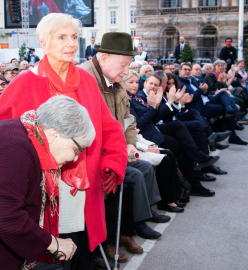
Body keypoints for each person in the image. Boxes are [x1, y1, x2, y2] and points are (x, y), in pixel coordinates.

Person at [0, 13, 128, 270]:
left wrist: (114, 160)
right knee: (50, 255)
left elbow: (111, 127)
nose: (70, 44)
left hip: (85, 186)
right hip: (42, 190)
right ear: (44, 43)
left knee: (80, 250)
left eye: (73, 37)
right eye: (61, 37)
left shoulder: (88, 81)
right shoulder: (23, 82)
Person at [80, 32, 168, 262]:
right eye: (124, 64)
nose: (127, 71)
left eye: (130, 65)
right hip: (91, 156)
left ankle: (121, 235)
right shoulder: (85, 78)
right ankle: (103, 246)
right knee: (124, 182)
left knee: (130, 177)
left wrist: (129, 144)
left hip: (115, 151)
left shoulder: (116, 81)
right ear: (104, 57)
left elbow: (128, 119)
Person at [0, 95, 97, 269]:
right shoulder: (17, 147)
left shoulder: (24, 134)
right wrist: (53, 243)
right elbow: (6, 215)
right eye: (77, 149)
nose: (75, 158)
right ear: (53, 134)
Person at [130, 73, 217, 197]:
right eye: (151, 84)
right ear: (144, 83)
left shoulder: (138, 98)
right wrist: (160, 105)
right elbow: (143, 123)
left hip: (154, 130)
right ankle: (194, 170)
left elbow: (155, 118)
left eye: (156, 84)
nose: (153, 87)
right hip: (145, 136)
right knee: (179, 137)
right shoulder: (137, 98)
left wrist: (174, 102)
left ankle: (197, 164)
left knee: (182, 129)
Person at [180, 62, 248, 146]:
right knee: (228, 108)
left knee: (224, 95)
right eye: (185, 69)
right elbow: (189, 98)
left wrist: (204, 91)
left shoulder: (192, 81)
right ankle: (232, 135)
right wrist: (202, 90)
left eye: (189, 70)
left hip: (206, 101)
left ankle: (232, 113)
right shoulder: (181, 83)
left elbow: (205, 93)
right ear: (180, 71)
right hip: (200, 108)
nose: (187, 71)